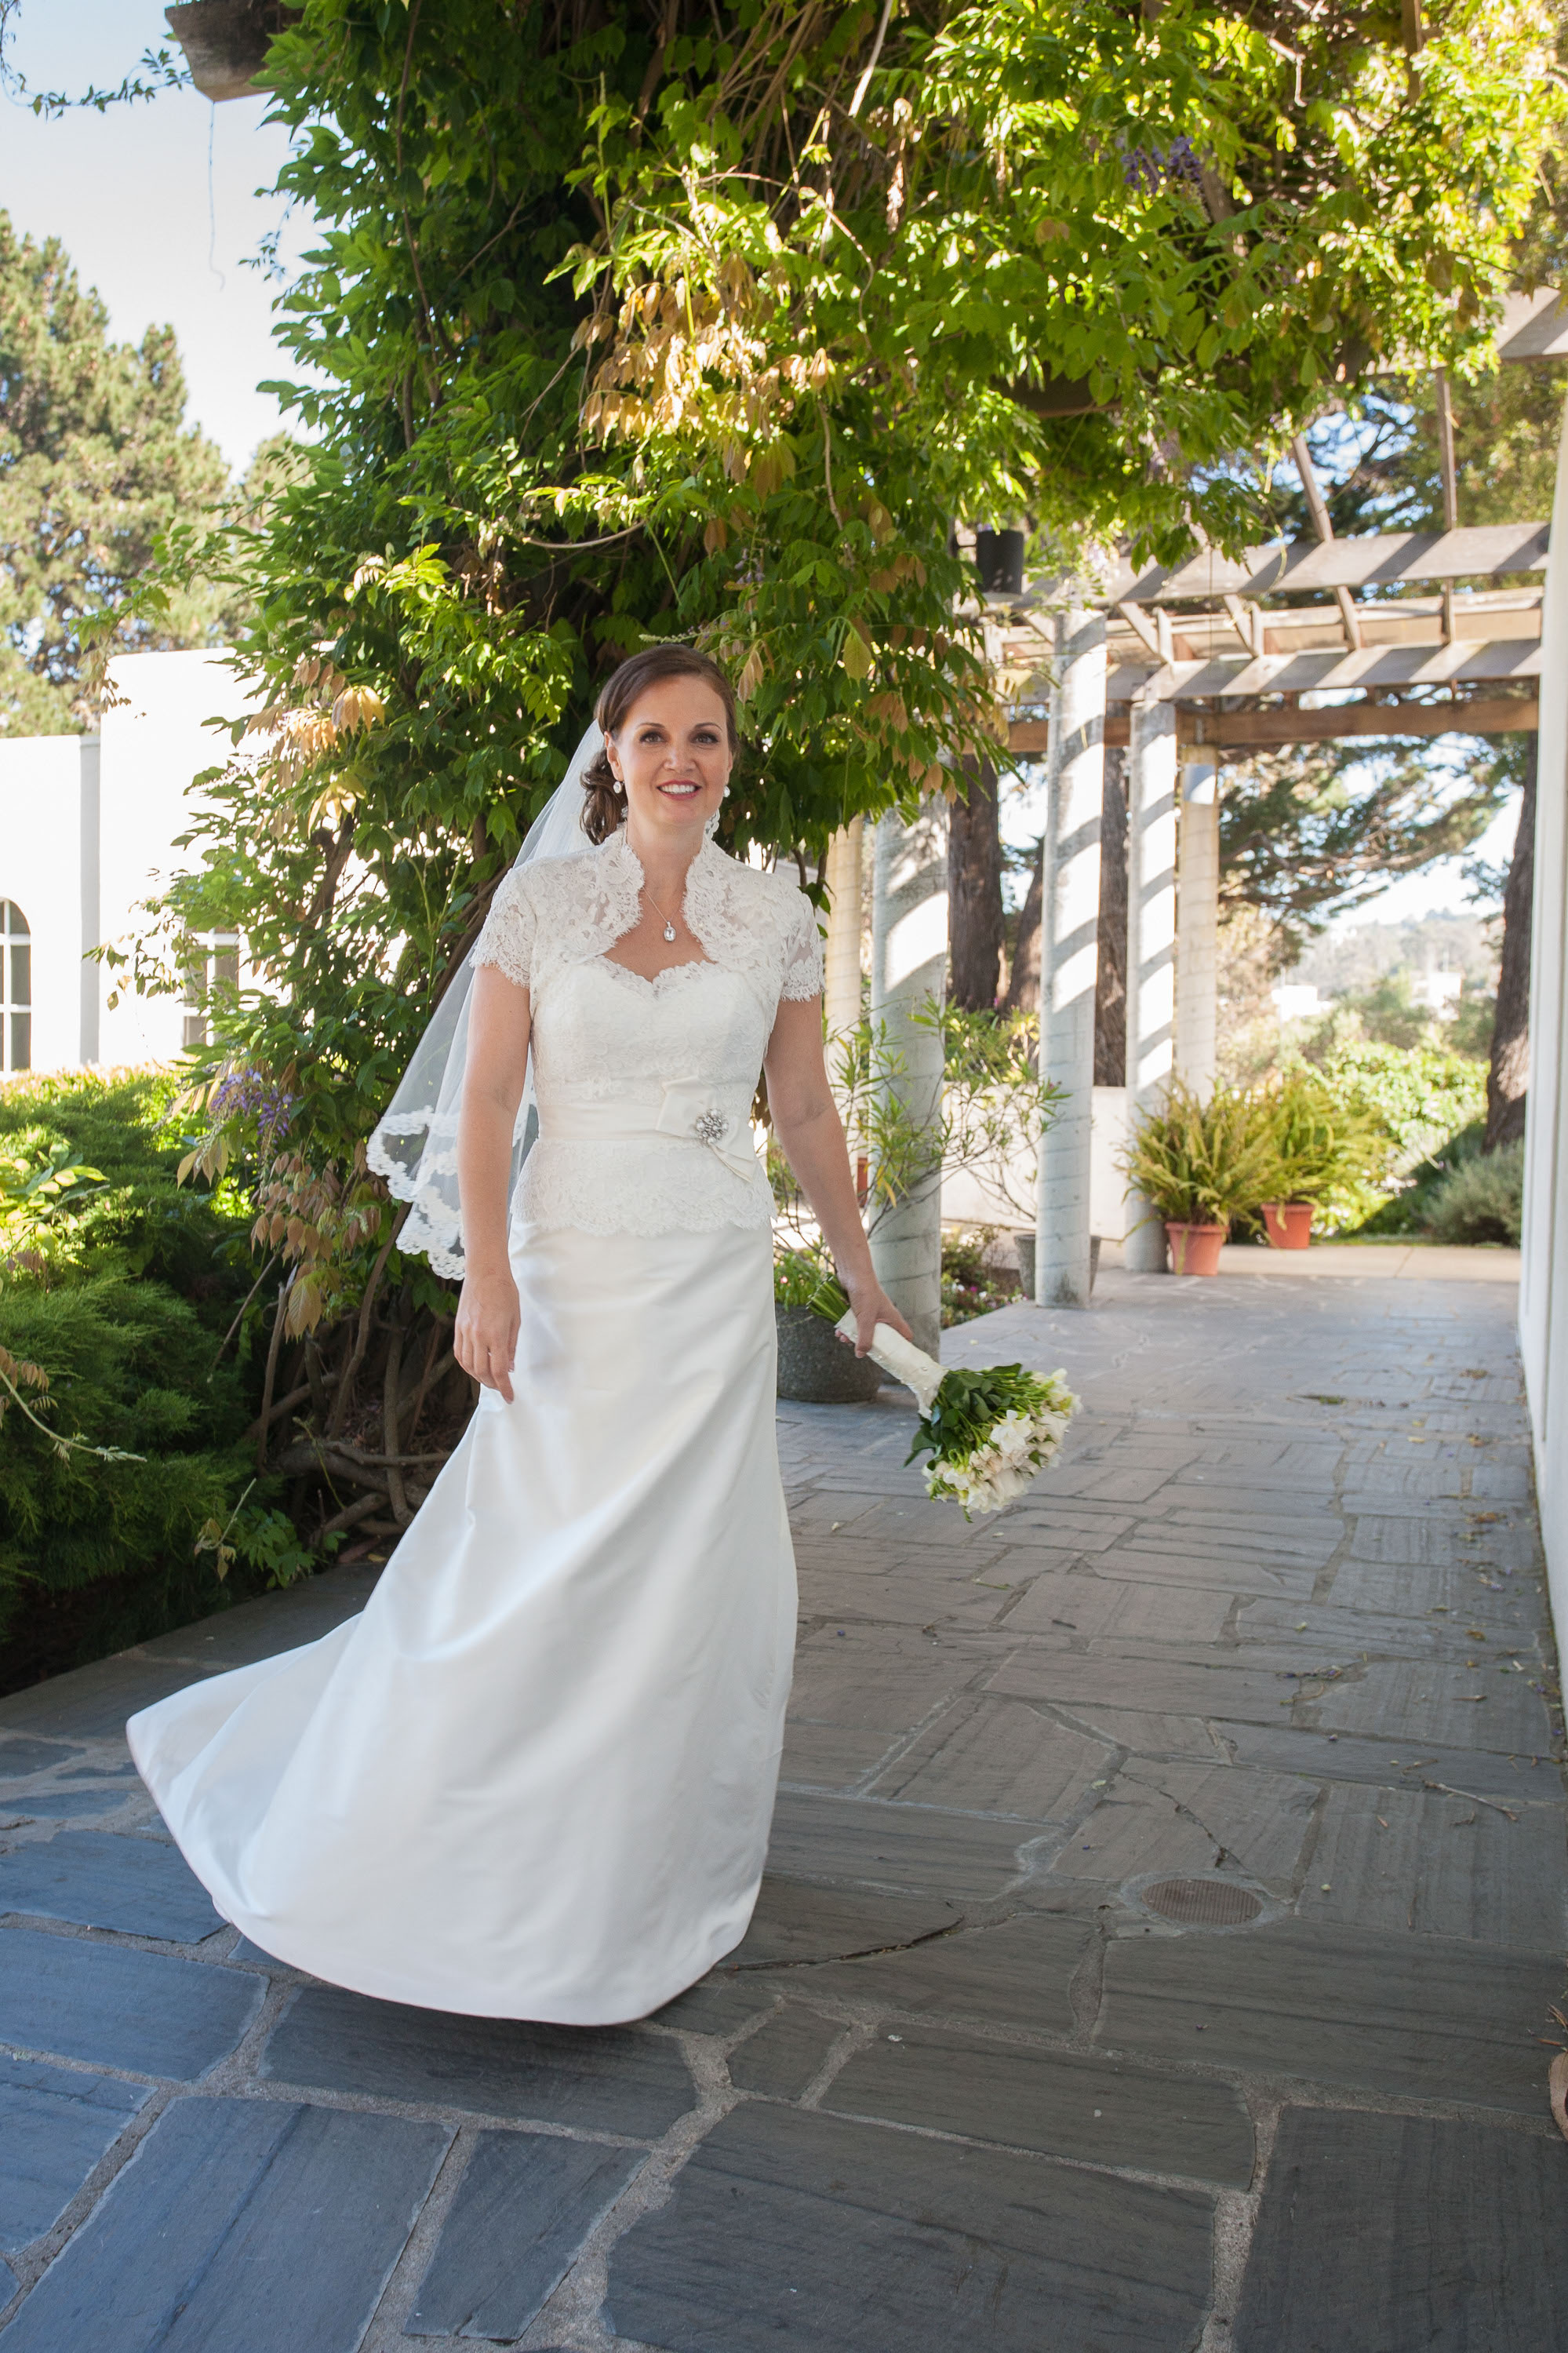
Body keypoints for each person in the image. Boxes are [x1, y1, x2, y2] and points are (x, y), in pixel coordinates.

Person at [127, 644, 908, 2024]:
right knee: (527, 1556)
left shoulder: (778, 915)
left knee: (682, 1576)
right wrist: (484, 1278)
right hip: (568, 1277)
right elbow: (485, 1105)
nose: (684, 759)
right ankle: (418, 1834)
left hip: (709, 1283)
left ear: (733, 758)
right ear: (611, 754)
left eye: (709, 737)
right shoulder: (541, 907)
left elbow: (802, 1112)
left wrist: (863, 1275)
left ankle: (632, 1873)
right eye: (657, 733)